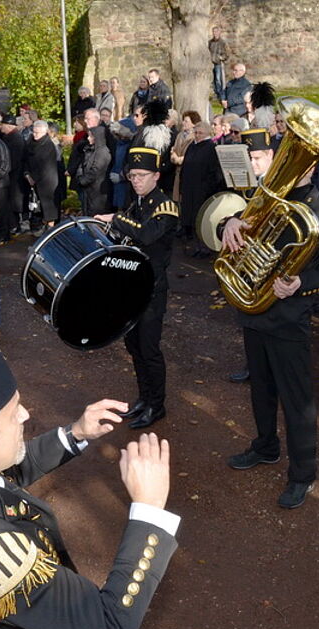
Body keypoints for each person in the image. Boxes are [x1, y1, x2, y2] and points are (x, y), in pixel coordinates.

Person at [0, 325, 179, 629]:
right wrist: (149, 509)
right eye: (13, 412)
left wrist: (76, 433)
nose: (25, 415)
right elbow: (109, 626)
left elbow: (1, 471)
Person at [222, 126, 319, 509]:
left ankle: (302, 474)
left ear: (313, 167)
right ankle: (265, 446)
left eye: (302, 161)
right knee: (260, 389)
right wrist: (229, 223)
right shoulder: (265, 199)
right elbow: (232, 226)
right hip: (254, 310)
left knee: (297, 400)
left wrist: (300, 284)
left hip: (289, 318)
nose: (294, 166)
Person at [94, 148, 178, 430]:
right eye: (132, 176)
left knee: (149, 348)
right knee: (133, 346)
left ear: (156, 176)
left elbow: (146, 234)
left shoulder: (165, 207)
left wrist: (115, 219)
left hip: (152, 288)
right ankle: (144, 398)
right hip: (132, 287)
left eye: (142, 175)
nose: (136, 180)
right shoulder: (136, 203)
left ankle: (157, 405)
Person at [178, 121, 224, 257]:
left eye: (200, 133)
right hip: (189, 189)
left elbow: (214, 172)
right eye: (196, 132)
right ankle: (194, 247)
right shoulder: (192, 146)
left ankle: (204, 248)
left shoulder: (211, 148)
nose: (197, 135)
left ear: (207, 133)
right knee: (190, 218)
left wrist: (207, 188)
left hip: (202, 191)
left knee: (201, 219)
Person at [24, 120, 60, 235]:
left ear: (44, 132)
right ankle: (42, 225)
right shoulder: (31, 142)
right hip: (33, 177)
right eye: (34, 132)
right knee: (38, 205)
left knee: (48, 205)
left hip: (46, 180)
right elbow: (26, 159)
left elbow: (44, 165)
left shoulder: (48, 145)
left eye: (37, 133)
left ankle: (50, 228)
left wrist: (33, 177)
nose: (35, 135)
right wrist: (27, 174)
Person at [0, 113, 27, 236]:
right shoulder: (10, 137)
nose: (1, 127)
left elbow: (15, 159)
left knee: (14, 202)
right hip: (12, 175)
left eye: (3, 125)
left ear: (9, 126)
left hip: (14, 176)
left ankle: (16, 225)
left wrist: (6, 171)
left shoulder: (15, 139)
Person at [76, 125, 112, 216]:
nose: (88, 138)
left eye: (91, 136)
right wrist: (80, 176)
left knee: (96, 215)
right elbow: (82, 164)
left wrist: (83, 180)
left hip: (98, 191)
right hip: (89, 190)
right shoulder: (91, 150)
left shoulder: (102, 152)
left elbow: (96, 170)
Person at [170, 110, 201, 204]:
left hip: (188, 174)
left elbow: (194, 155)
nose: (183, 123)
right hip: (178, 174)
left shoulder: (196, 137)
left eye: (186, 121)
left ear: (193, 124)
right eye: (183, 120)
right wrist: (174, 157)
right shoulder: (179, 135)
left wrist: (179, 159)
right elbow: (173, 150)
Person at [209, 26, 230, 102]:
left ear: (219, 32)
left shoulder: (223, 42)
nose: (215, 33)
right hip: (211, 64)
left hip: (218, 63)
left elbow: (227, 53)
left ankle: (220, 95)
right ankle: (216, 94)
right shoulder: (210, 42)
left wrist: (221, 58)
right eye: (214, 32)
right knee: (213, 80)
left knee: (218, 80)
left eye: (216, 31)